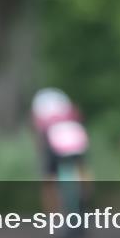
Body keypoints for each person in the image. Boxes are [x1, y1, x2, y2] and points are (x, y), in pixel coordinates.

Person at [30, 88, 91, 216]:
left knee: (49, 178)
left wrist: (41, 151)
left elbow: (38, 131)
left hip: (53, 136)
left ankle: (53, 214)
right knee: (81, 168)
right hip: (75, 135)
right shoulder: (66, 104)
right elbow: (79, 118)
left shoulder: (39, 104)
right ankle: (85, 196)